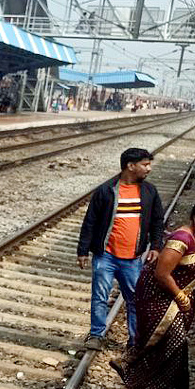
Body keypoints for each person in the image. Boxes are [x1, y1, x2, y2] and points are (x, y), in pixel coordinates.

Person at [110, 198, 195, 389]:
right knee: (174, 340)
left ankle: (129, 364)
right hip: (158, 294)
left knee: (164, 341)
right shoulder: (182, 239)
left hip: (181, 295)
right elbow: (162, 274)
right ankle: (147, 387)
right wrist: (181, 298)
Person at [78, 147, 166, 350]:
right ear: (130, 166)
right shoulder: (106, 190)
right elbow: (90, 221)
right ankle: (96, 335)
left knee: (135, 300)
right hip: (106, 256)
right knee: (100, 297)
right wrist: (83, 250)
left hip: (133, 259)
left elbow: (157, 221)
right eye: (145, 164)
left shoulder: (149, 191)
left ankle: (135, 341)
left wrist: (156, 246)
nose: (149, 168)